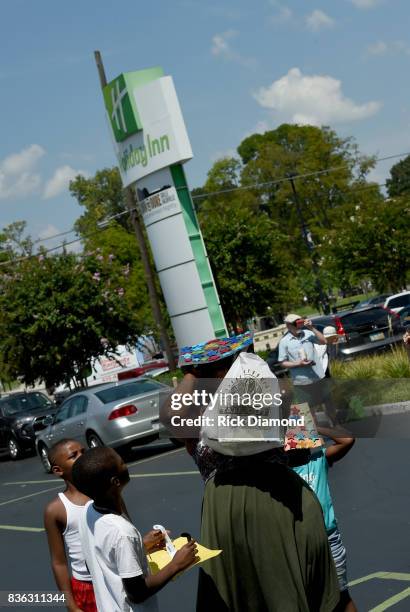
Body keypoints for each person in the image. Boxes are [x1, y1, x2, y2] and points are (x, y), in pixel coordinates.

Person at [162, 333, 341, 612]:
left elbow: (301, 451)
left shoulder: (266, 398)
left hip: (270, 509)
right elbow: (171, 417)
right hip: (249, 516)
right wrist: (191, 373)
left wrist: (191, 373)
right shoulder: (198, 416)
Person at [72, 447, 198, 612]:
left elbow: (97, 560)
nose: (125, 464)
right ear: (116, 482)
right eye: (122, 463)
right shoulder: (122, 532)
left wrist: (140, 546)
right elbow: (137, 593)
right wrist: (177, 564)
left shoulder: (87, 511)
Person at [292, 428, 357, 612]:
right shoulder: (282, 470)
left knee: (342, 596)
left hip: (329, 540)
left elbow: (347, 440)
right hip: (300, 544)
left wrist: (314, 426)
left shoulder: (318, 461)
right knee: (309, 601)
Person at [44, 439, 97, 612]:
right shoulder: (56, 509)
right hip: (87, 586)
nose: (82, 457)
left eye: (84, 451)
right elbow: (59, 563)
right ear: (58, 470)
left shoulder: (107, 490)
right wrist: (71, 605)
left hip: (119, 578)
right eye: (73, 456)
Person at [278, 314, 329, 412]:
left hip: (318, 377)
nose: (298, 325)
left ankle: (335, 425)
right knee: (308, 411)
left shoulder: (308, 333)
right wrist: (298, 364)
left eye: (300, 322)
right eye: (295, 323)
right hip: (301, 382)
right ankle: (313, 427)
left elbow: (324, 341)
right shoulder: (284, 342)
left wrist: (312, 328)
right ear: (288, 325)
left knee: (328, 403)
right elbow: (282, 363)